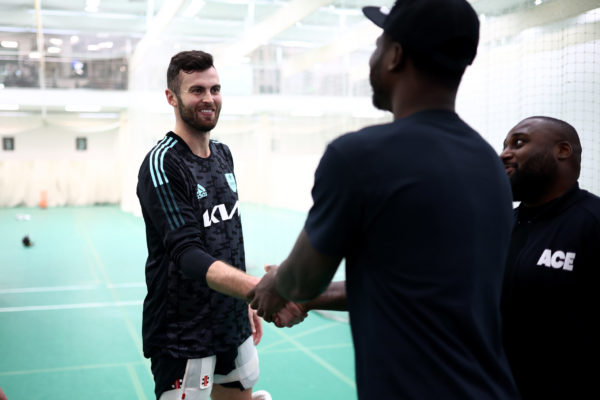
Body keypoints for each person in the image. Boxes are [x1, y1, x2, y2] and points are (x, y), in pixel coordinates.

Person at [247, 1, 521, 399]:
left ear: (395, 56)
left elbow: (303, 278)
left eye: (378, 45)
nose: (372, 58)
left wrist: (279, 284)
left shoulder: (359, 157)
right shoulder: (488, 166)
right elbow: (412, 288)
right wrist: (303, 293)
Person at [136, 50, 304, 400]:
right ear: (172, 97)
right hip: (183, 334)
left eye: (215, 89)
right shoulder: (163, 164)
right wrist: (257, 288)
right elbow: (188, 253)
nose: (209, 98)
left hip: (231, 323)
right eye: (197, 90)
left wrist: (242, 302)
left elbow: (225, 239)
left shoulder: (224, 155)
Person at [500, 116, 600, 399]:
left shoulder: (592, 222)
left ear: (563, 151)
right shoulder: (498, 225)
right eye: (505, 144)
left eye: (518, 142)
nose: (505, 153)